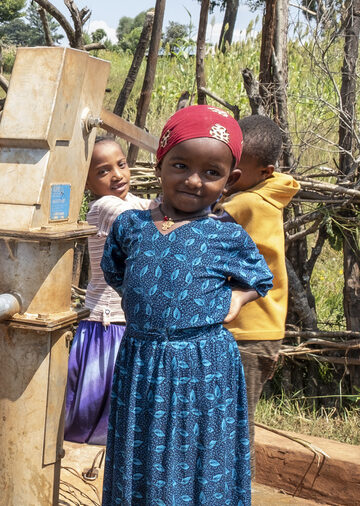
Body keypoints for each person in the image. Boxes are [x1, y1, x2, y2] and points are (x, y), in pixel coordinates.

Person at [100, 105, 273, 505]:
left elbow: (261, 278)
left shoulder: (225, 235)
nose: (194, 181)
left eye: (211, 173)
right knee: (139, 450)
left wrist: (237, 296)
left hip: (204, 365)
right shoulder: (130, 225)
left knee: (199, 453)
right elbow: (116, 271)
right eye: (180, 165)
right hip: (141, 358)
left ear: (229, 180)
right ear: (160, 164)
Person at [63, 138, 151, 445]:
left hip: (125, 321)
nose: (116, 175)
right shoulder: (102, 208)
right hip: (107, 321)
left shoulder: (135, 203)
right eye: (103, 171)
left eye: (121, 164)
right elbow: (138, 222)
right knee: (94, 417)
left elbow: (153, 209)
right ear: (87, 182)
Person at [218, 115, 299, 445]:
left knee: (234, 426)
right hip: (258, 331)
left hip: (246, 333)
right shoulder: (264, 195)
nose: (227, 173)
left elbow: (192, 226)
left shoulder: (245, 203)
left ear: (265, 172)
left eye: (235, 167)